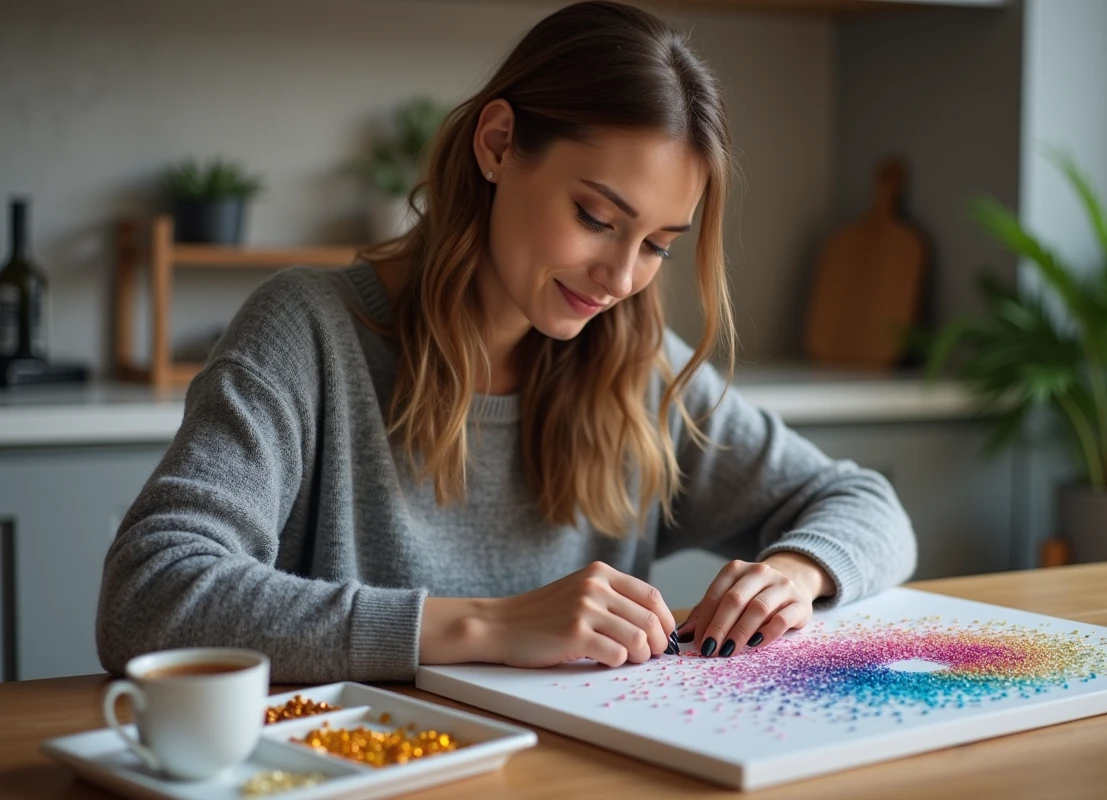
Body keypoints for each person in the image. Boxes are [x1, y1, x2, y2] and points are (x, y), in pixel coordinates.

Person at [96, 0, 916, 683]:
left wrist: (794, 575)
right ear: (496, 145)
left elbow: (869, 507)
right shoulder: (308, 331)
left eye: (658, 243)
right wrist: (487, 626)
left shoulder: (634, 364)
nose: (621, 277)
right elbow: (150, 596)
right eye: (596, 218)